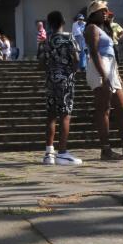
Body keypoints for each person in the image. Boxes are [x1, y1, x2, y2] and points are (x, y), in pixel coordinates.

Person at [84, 0, 123, 161]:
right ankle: (105, 149)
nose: (105, 12)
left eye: (106, 10)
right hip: (100, 67)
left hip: (110, 67)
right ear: (93, 14)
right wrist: (104, 75)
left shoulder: (104, 29)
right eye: (101, 10)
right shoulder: (91, 28)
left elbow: (112, 56)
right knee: (104, 108)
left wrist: (117, 76)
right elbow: (95, 53)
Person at [37, 10, 82, 166]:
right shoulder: (69, 38)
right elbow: (76, 59)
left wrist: (51, 68)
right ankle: (62, 152)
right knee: (65, 115)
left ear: (49, 24)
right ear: (63, 22)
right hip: (65, 80)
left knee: (51, 115)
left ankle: (49, 153)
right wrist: (71, 71)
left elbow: (41, 63)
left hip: (50, 81)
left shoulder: (45, 41)